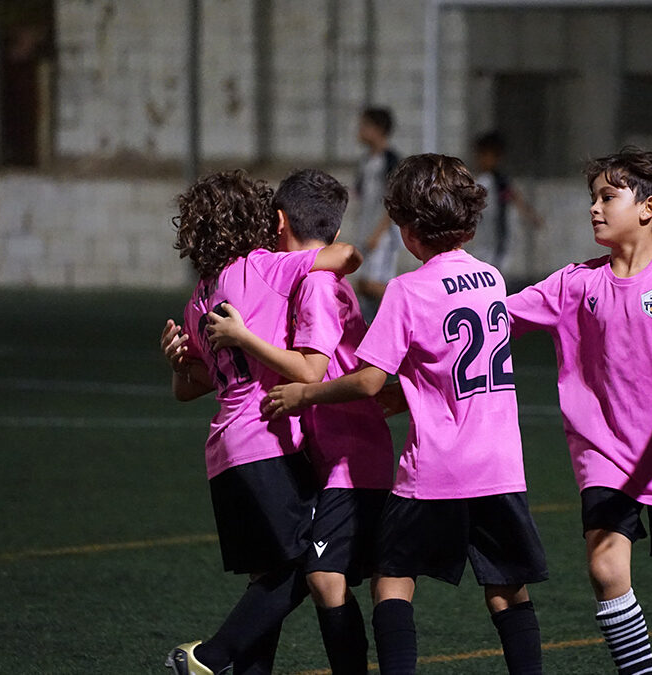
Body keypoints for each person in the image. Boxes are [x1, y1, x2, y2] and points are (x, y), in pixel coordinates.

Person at [264, 154, 549, 675]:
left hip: (436, 471)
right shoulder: (490, 278)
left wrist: (306, 395)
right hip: (501, 466)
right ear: (468, 222)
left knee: (392, 581)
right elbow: (452, 365)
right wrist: (407, 394)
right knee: (507, 589)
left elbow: (369, 379)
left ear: (409, 230)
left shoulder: (407, 289)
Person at [508, 148, 652, 675]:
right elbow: (500, 316)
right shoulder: (575, 283)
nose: (595, 208)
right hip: (603, 452)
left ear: (648, 209)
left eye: (608, 197)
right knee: (606, 570)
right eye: (594, 198)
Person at [159, 169, 362, 675]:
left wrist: (177, 363)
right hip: (266, 440)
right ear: (263, 220)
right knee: (307, 563)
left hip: (223, 452)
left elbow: (190, 387)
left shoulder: (199, 298)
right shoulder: (263, 267)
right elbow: (344, 256)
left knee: (265, 578)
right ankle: (209, 657)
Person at [205, 169, 395, 674]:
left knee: (323, 576)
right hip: (331, 454)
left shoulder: (314, 283)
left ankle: (212, 657)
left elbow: (311, 369)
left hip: (349, 458)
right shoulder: (310, 280)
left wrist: (249, 344)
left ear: (278, 221)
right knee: (303, 573)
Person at [469, 131, 544, 271]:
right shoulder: (483, 180)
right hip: (485, 232)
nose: (481, 160)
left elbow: (515, 196)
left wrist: (531, 215)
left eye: (485, 155)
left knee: (496, 262)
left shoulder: (500, 180)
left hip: (498, 232)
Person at [354, 107, 402, 320]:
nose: (360, 130)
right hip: (366, 232)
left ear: (379, 129)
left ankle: (409, 308)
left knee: (372, 284)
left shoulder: (390, 160)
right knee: (363, 285)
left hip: (383, 236)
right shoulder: (365, 161)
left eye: (365, 125)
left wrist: (378, 233)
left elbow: (395, 200)